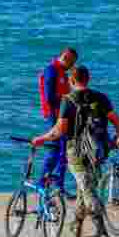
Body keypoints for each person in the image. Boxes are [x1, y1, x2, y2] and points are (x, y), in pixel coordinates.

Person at [32, 65, 119, 237]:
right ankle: (76, 222)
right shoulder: (101, 97)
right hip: (98, 150)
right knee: (85, 185)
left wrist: (41, 139)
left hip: (75, 151)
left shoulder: (68, 100)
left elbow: (59, 130)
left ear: (72, 80)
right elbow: (116, 120)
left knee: (87, 188)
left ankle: (100, 228)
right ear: (88, 79)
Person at [38, 47, 76, 191]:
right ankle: (42, 183)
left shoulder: (62, 73)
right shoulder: (51, 70)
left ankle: (59, 186)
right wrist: (68, 99)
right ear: (65, 57)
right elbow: (49, 97)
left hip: (62, 115)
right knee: (56, 149)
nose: (72, 66)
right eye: (71, 62)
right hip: (54, 115)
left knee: (63, 151)